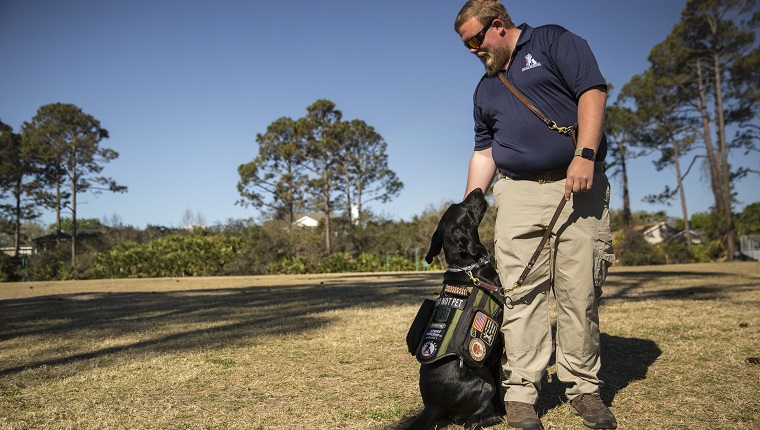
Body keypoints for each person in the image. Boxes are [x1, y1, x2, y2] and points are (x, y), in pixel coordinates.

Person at [454, 1, 617, 429]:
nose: (471, 50)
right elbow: (484, 150)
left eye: (474, 39)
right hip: (518, 193)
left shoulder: (552, 41)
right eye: (464, 44)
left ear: (499, 27)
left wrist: (584, 153)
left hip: (576, 186)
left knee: (578, 292)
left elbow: (592, 91)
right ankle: (522, 393)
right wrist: (469, 205)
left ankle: (584, 389)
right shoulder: (485, 89)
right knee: (519, 294)